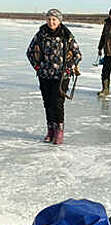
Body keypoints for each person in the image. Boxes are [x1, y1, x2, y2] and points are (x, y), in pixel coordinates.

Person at [26, 9, 82, 145]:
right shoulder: (41, 34)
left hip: (61, 76)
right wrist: (38, 67)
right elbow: (30, 52)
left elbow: (77, 55)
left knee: (57, 103)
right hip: (44, 75)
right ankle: (50, 130)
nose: (51, 22)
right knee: (48, 103)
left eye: (54, 19)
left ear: (59, 21)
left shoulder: (66, 35)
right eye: (49, 19)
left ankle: (59, 131)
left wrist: (68, 68)